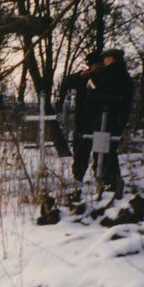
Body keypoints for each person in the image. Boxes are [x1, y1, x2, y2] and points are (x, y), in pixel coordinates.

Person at [88, 48, 134, 195]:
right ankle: (110, 181)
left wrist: (93, 92)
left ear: (112, 59)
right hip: (113, 117)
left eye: (106, 58)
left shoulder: (114, 74)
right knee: (106, 150)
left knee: (105, 150)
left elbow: (108, 95)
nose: (104, 61)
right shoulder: (120, 74)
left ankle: (110, 182)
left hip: (109, 118)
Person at [57, 50, 105, 186]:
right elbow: (66, 81)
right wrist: (80, 76)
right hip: (83, 120)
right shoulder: (83, 77)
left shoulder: (106, 78)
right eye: (93, 65)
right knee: (80, 152)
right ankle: (78, 178)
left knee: (100, 152)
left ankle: (100, 180)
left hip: (100, 120)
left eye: (97, 64)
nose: (95, 67)